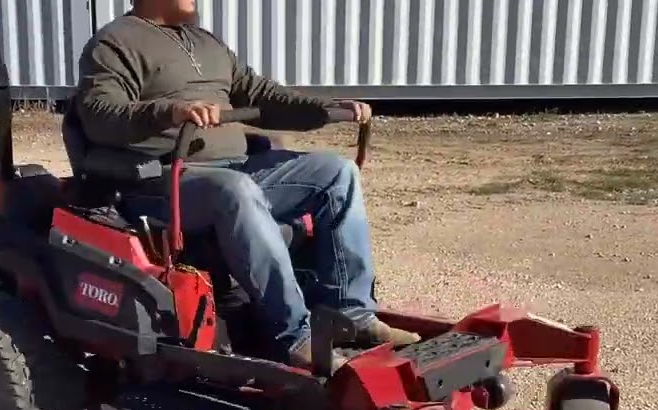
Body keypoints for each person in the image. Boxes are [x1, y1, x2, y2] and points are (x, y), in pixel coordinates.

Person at [73, 0, 421, 369]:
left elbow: (259, 94)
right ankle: (295, 337)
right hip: (163, 182)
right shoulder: (113, 44)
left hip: (237, 169)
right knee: (235, 190)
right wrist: (171, 111)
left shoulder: (205, 42)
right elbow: (99, 115)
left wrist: (323, 109)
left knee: (337, 172)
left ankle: (352, 315)